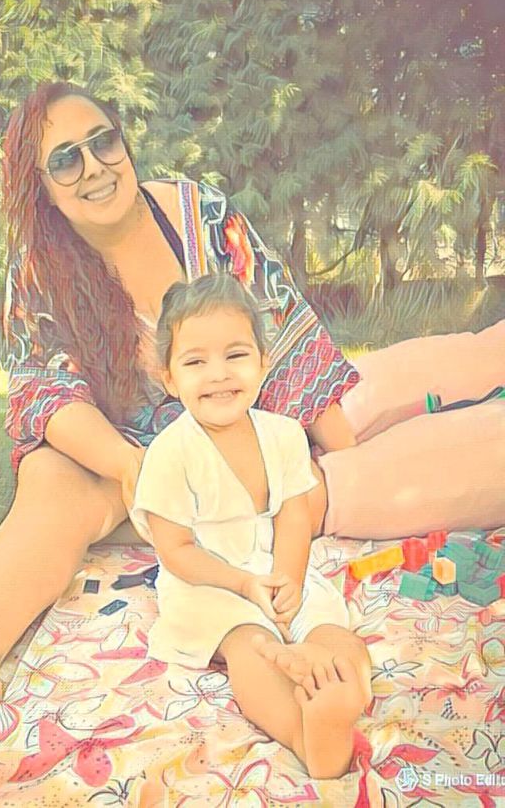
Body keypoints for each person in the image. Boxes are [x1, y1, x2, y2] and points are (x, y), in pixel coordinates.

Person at [0, 81, 504, 713]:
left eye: (102, 142)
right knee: (47, 472)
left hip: (241, 437)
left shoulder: (198, 214)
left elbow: (281, 333)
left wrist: (347, 453)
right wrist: (132, 468)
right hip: (130, 468)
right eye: (65, 159)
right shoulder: (38, 269)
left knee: (347, 444)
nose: (93, 167)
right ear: (40, 187)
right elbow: (47, 394)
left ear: (124, 144)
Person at [131, 274, 372, 779]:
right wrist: (245, 586)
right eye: (195, 362)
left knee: (335, 631)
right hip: (208, 582)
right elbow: (176, 550)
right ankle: (305, 734)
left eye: (235, 355)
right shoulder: (170, 453)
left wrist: (288, 583)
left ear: (263, 362)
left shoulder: (284, 435)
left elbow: (294, 516)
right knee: (249, 645)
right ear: (169, 378)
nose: (218, 374)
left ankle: (339, 693)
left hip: (277, 568)